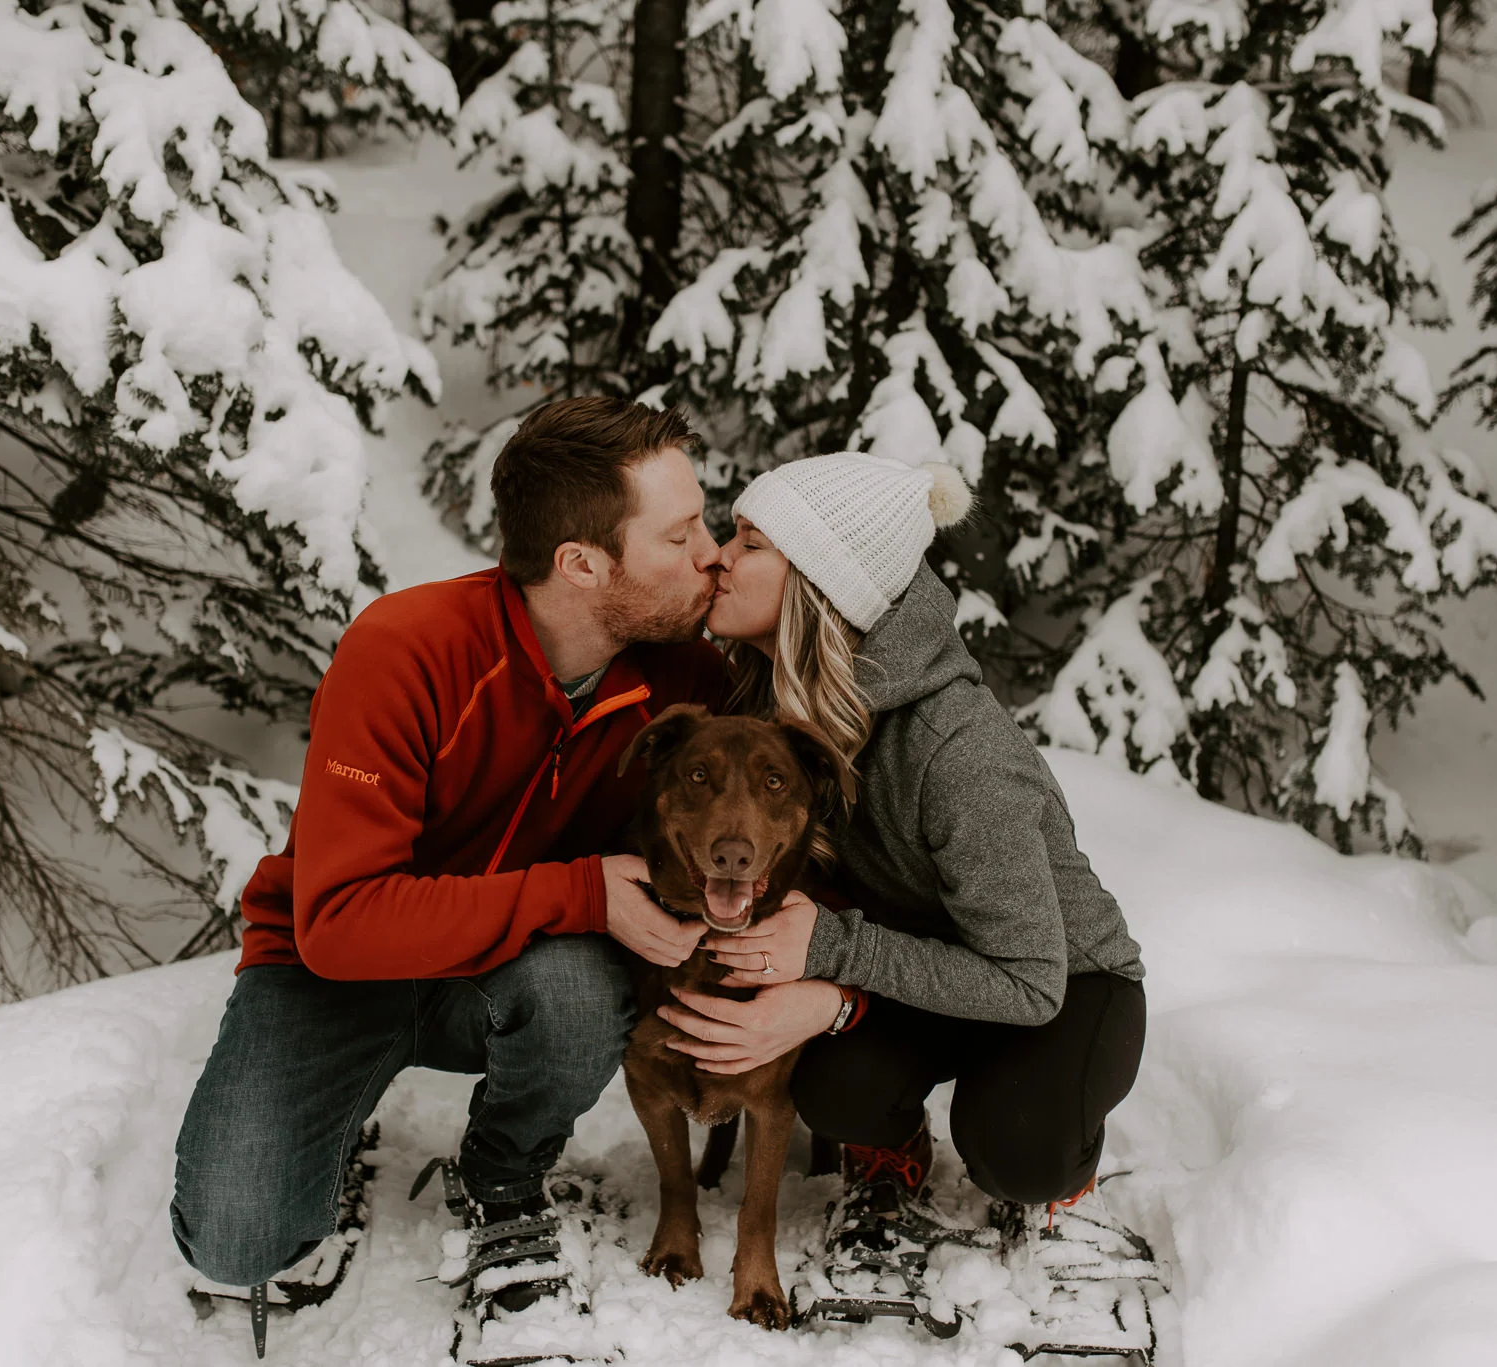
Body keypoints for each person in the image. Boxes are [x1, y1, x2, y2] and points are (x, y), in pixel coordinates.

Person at [168, 397, 728, 1338]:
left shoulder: (684, 681)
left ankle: (503, 1173)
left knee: (582, 994)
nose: (711, 551)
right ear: (583, 563)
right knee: (235, 1237)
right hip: (329, 971)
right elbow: (339, 921)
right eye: (681, 534)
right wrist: (582, 891)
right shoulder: (408, 649)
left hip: (514, 968)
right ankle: (334, 1129)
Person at [661, 449, 1147, 1240]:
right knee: (831, 1085)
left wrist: (834, 965)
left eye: (750, 543)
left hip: (1060, 980)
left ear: (821, 584)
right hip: (921, 965)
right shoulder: (764, 695)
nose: (717, 554)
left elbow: (1027, 980)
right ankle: (895, 1143)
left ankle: (1066, 1159)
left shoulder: (958, 752)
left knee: (1020, 1152)